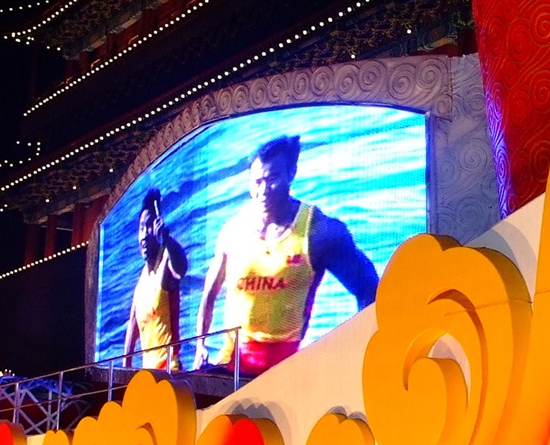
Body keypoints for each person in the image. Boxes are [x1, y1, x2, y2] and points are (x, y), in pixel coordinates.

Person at [198, 136, 379, 375]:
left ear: (291, 174)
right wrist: (200, 346)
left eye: (272, 179)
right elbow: (209, 296)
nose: (263, 191)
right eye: (256, 181)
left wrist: (358, 352)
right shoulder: (232, 231)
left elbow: (369, 289)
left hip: (283, 372)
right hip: (231, 367)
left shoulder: (319, 231)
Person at [124, 189, 188, 370]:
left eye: (149, 227)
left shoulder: (166, 261)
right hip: (148, 374)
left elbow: (181, 266)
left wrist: (167, 240)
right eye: (141, 228)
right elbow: (132, 331)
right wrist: (121, 376)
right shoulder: (141, 282)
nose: (144, 235)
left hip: (170, 371)